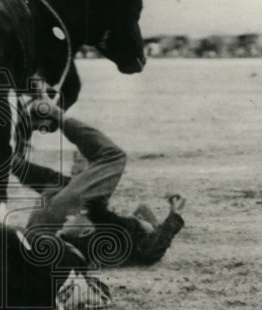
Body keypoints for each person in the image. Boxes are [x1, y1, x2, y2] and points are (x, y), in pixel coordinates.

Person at [10, 97, 186, 268]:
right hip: (41, 230)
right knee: (56, 181)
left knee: (114, 157)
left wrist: (174, 217)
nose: (137, 215)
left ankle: (56, 115)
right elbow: (141, 212)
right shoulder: (116, 229)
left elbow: (152, 251)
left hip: (56, 230)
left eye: (139, 219)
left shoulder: (127, 240)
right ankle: (10, 155)